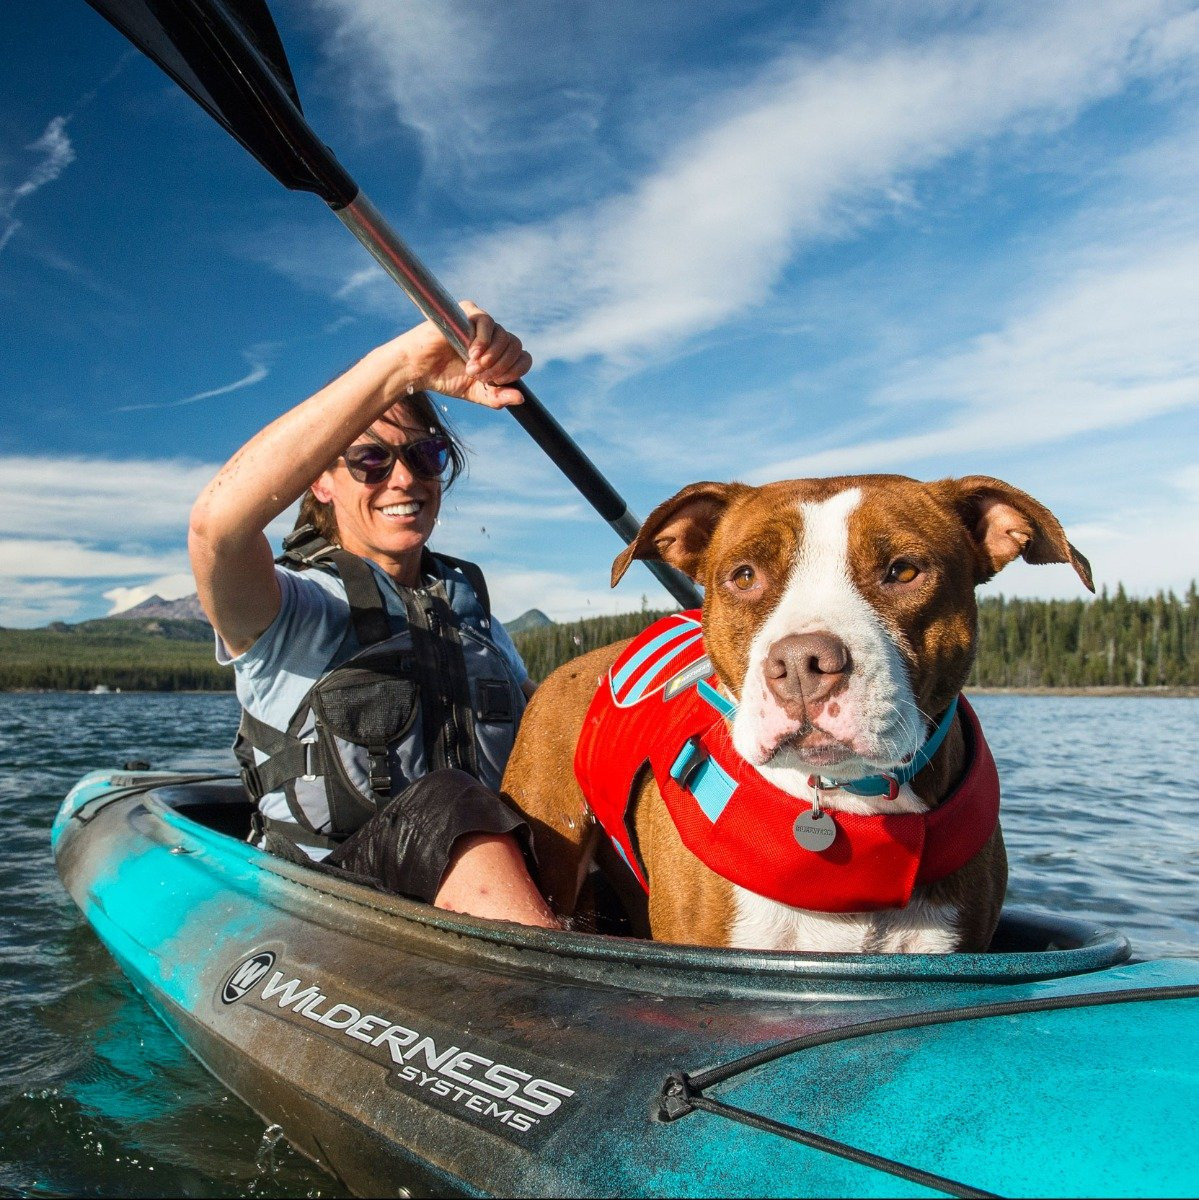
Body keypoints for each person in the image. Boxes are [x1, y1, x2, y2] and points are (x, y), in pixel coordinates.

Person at [189, 303, 558, 928]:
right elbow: (216, 528)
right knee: (449, 802)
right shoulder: (291, 611)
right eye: (369, 459)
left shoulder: (479, 628)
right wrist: (403, 367)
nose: (404, 478)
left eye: (426, 456)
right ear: (321, 482)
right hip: (329, 906)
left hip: (486, 892)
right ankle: (559, 997)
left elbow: (557, 734)